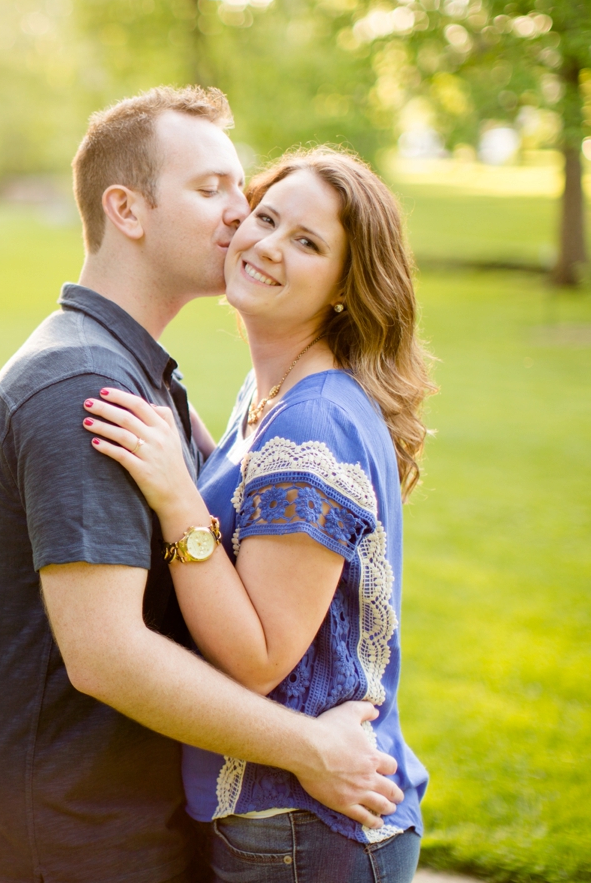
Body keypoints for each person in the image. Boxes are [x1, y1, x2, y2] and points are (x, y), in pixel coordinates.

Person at [0, 88, 405, 883]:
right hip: (76, 839)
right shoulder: (84, 388)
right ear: (127, 210)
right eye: (212, 190)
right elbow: (106, 655)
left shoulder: (153, 381)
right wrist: (311, 749)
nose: (240, 215)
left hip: (121, 823)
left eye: (244, 191)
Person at [80, 147, 435, 882]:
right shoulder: (268, 392)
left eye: (307, 243)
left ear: (345, 286)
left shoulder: (313, 428)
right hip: (281, 822)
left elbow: (260, 655)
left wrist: (178, 500)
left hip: (305, 831)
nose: (269, 245)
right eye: (266, 218)